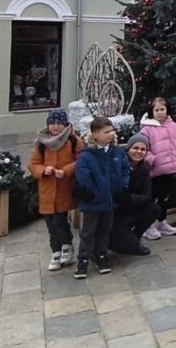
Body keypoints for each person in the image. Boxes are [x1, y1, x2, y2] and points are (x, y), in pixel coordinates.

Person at [74, 116, 131, 279]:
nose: (111, 134)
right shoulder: (87, 155)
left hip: (111, 200)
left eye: (112, 130)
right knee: (88, 231)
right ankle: (83, 259)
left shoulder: (117, 152)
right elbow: (83, 176)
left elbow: (126, 170)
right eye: (106, 132)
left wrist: (122, 188)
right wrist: (94, 193)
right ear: (95, 134)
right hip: (94, 201)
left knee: (105, 230)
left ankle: (101, 255)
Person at [28, 108, 82, 271]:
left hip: (64, 188)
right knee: (50, 223)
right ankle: (56, 251)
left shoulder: (73, 140)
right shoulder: (42, 143)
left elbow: (81, 160)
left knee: (60, 219)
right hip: (47, 189)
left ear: (65, 124)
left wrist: (66, 171)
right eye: (52, 123)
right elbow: (33, 164)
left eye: (59, 123)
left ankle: (66, 245)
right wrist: (43, 170)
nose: (55, 127)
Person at [140, 97, 176, 240]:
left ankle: (162, 221)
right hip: (155, 171)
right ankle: (149, 225)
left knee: (164, 198)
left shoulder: (174, 126)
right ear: (151, 111)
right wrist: (152, 160)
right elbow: (143, 148)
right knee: (152, 198)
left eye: (162, 109)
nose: (160, 112)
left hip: (170, 169)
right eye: (156, 110)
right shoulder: (147, 129)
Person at [110, 133, 159, 256]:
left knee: (154, 208)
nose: (139, 152)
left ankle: (136, 237)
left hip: (132, 206)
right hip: (116, 212)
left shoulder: (144, 168)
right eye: (135, 148)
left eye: (143, 149)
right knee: (125, 247)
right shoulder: (118, 164)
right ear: (129, 148)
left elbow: (148, 195)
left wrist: (129, 199)